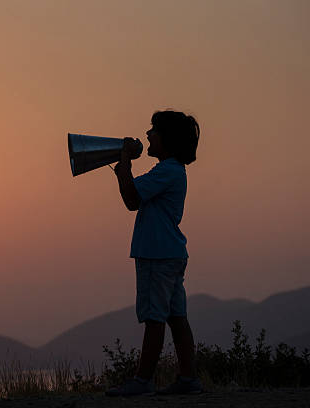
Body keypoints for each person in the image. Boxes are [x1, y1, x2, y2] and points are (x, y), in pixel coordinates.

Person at [106, 110, 201, 397]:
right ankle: (188, 378)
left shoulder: (167, 171)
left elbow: (132, 199)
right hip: (171, 253)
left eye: (153, 131)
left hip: (156, 255)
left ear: (167, 140)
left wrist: (123, 163)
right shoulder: (172, 171)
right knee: (176, 317)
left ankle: (143, 380)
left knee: (154, 317)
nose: (147, 135)